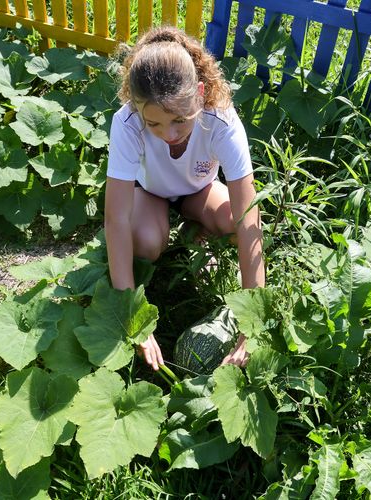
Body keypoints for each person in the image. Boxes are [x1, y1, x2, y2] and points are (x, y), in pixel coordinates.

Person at [105, 26, 265, 371]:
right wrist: (133, 316)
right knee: (146, 243)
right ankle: (179, 230)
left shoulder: (221, 120)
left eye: (180, 120)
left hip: (199, 190)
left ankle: (196, 228)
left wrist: (252, 327)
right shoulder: (127, 123)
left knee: (230, 223)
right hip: (149, 193)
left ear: (200, 93)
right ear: (136, 108)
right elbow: (115, 219)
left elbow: (248, 217)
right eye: (155, 124)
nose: (169, 135)